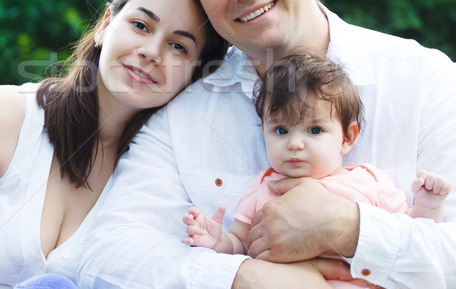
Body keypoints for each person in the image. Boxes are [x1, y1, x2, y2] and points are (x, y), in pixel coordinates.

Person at [78, 0, 456, 289]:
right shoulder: (182, 114)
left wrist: (347, 227)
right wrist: (248, 277)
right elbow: (107, 251)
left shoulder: (426, 81)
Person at [0, 0, 228, 289]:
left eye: (179, 47)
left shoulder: (164, 176)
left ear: (193, 75)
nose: (151, 52)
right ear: (105, 26)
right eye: (140, 25)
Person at [183, 53, 451, 288]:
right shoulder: (263, 187)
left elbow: (408, 234)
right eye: (281, 130)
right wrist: (217, 240)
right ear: (264, 132)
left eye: (314, 130)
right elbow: (240, 244)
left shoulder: (367, 181)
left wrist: (427, 205)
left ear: (347, 138)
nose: (295, 144)